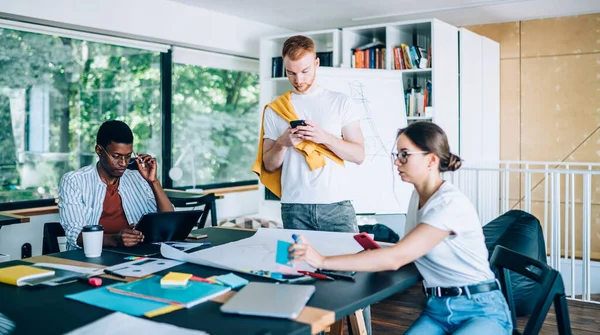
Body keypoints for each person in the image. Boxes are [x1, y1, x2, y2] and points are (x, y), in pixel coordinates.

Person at [289, 122, 513, 334]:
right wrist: (380, 250)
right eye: (397, 155)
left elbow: (397, 258)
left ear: (431, 160)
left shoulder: (448, 204)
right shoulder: (418, 195)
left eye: (405, 155)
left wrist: (322, 261)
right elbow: (408, 248)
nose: (397, 162)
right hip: (438, 309)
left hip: (481, 310)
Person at [253, 34, 365, 233]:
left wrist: (325, 138)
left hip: (336, 205)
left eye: (305, 71)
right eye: (291, 73)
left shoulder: (341, 102)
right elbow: (268, 166)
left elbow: (358, 155)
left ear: (317, 63)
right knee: (297, 264)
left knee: (347, 263)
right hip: (293, 207)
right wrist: (282, 143)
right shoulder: (274, 109)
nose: (299, 79)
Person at [59, 120, 173, 251]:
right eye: (116, 156)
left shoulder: (137, 178)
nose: (123, 163)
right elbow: (75, 235)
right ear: (99, 150)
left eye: (128, 156)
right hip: (90, 259)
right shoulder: (74, 181)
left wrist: (153, 182)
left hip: (135, 256)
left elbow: (168, 222)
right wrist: (115, 240)